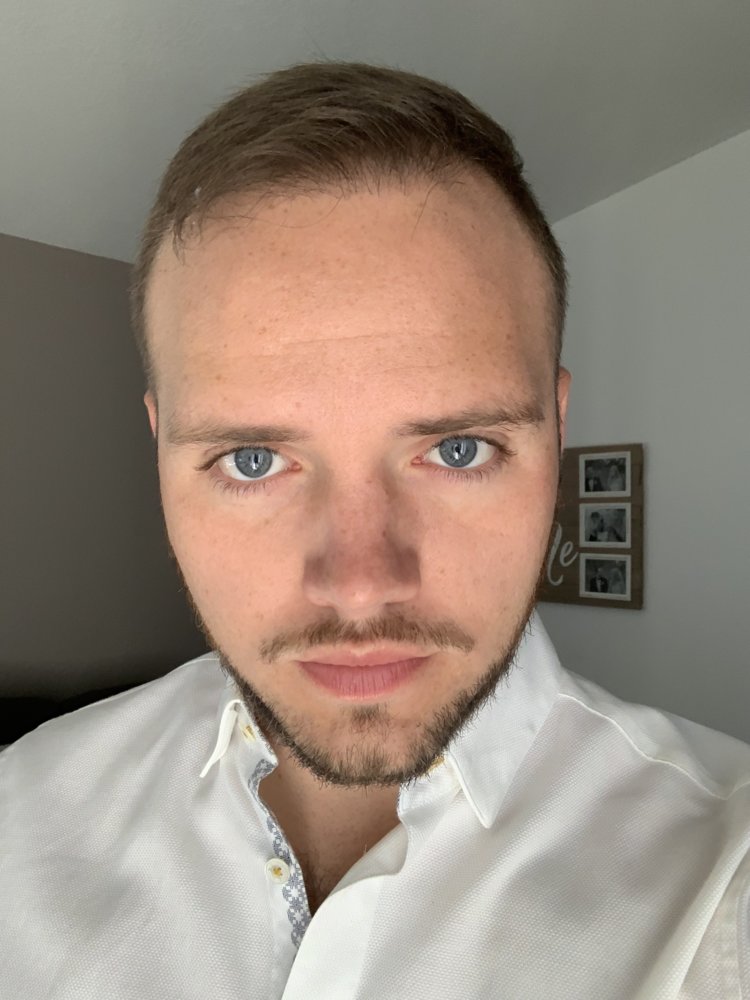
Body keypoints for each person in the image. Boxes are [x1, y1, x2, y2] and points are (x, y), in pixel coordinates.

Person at [2, 61, 748, 999]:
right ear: (159, 447)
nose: (360, 584)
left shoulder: (720, 883)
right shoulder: (20, 812)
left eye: (459, 450)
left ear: (558, 434)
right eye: (253, 460)